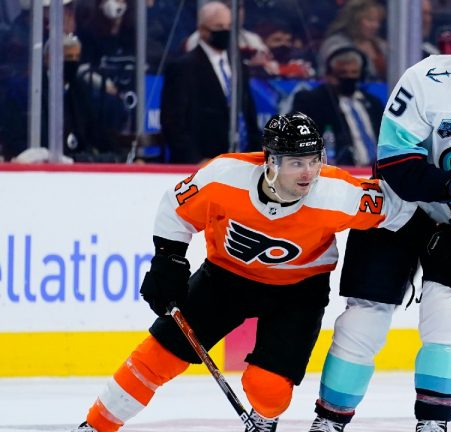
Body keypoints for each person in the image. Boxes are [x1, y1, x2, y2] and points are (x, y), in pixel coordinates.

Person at [70, 112, 416, 432]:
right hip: (224, 278)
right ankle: (96, 426)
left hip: (299, 291)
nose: (309, 173)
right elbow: (175, 208)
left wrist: (443, 223)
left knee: (266, 387)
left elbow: (399, 208)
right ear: (270, 162)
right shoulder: (224, 176)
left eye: (314, 161)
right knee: (157, 356)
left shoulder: (338, 193)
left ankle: (265, 418)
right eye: (297, 162)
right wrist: (168, 259)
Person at [309, 8, 451, 432]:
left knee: (448, 316)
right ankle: (329, 421)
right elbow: (396, 163)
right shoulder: (423, 82)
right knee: (366, 314)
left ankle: (433, 424)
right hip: (397, 209)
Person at [160, 1, 261, 164]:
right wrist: (195, 160)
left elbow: (249, 113)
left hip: (242, 161)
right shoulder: (183, 68)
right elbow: (173, 122)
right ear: (203, 30)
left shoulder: (238, 65)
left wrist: (256, 155)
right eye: (219, 27)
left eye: (229, 26)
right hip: (202, 162)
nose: (225, 31)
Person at [291, 47, 383, 166]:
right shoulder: (312, 100)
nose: (349, 77)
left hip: (376, 172)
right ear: (330, 74)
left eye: (354, 73)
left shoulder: (373, 103)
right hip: (338, 171)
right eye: (343, 73)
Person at [317, 0, 387, 80]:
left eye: (378, 21)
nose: (376, 25)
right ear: (355, 20)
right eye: (370, 20)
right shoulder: (335, 44)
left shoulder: (381, 46)